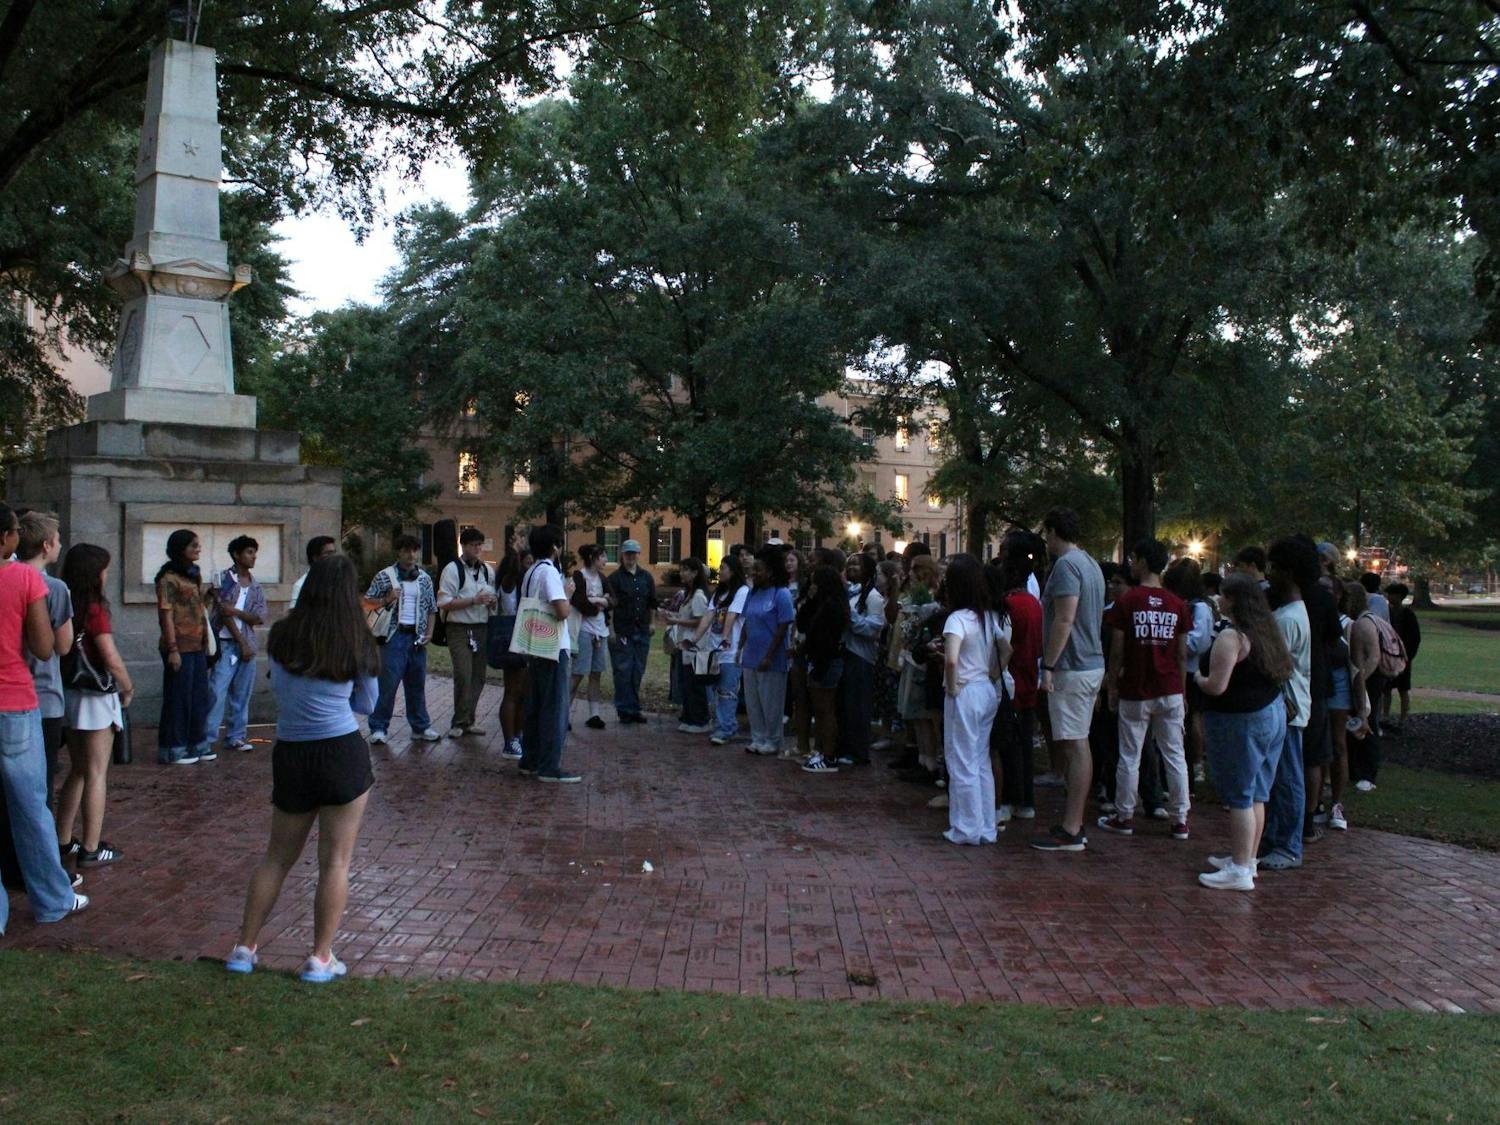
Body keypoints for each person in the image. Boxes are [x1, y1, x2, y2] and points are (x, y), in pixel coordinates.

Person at [224, 555, 379, 982]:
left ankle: (243, 948)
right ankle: (320, 957)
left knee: (276, 858)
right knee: (335, 863)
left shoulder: (283, 635)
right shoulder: (355, 638)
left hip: (291, 750)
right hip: (341, 750)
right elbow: (368, 703)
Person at [0, 503, 87, 932]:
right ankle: (53, 899)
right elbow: (43, 646)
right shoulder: (23, 578)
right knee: (32, 807)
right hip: (15, 701)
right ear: (6, 538)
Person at [1196, 574, 1293, 892]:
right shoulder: (1266, 632)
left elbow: (1216, 685)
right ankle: (1247, 860)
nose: (1218, 600)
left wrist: (1198, 678)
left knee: (1239, 794)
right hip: (1272, 712)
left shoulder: (1231, 637)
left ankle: (1239, 869)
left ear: (1234, 601)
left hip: (1242, 720)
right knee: (1258, 793)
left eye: (1223, 596)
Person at [1097, 538, 1191, 841]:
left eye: (1134, 558)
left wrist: (1112, 683)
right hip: (1170, 689)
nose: (1131, 564)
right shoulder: (1177, 604)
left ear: (1143, 562)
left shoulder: (1127, 602)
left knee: (1129, 754)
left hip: (1136, 688)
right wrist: (1183, 692)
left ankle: (1124, 815)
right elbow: (1181, 654)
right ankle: (1180, 819)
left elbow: (1118, 651)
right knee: (1174, 754)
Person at [1030, 509, 1105, 853]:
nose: (1045, 541)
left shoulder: (1066, 566)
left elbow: (1065, 617)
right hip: (1089, 664)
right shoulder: (1090, 563)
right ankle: (1073, 824)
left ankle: (1072, 827)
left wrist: (1049, 664)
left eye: (1047, 534)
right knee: (1079, 744)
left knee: (1075, 746)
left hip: (1072, 667)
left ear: (1054, 531)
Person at [55, 542, 133, 868]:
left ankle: (62, 839)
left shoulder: (63, 600)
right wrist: (127, 686)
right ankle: (90, 846)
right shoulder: (95, 609)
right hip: (96, 696)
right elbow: (110, 656)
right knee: (97, 772)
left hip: (69, 691)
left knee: (77, 770)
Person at [940, 554, 1012, 845]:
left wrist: (954, 686)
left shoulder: (957, 619)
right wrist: (993, 674)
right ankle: (985, 826)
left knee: (961, 760)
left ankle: (965, 827)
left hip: (966, 691)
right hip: (985, 688)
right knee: (980, 759)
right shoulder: (987, 617)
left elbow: (951, 659)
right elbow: (1007, 649)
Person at [1259, 539, 1313, 871]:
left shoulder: (1287, 619)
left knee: (1288, 778)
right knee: (1279, 778)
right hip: (1288, 707)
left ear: (1289, 572)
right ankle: (1275, 838)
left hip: (1288, 709)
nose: (1270, 574)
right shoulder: (1291, 613)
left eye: (1275, 568)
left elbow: (1274, 666)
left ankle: (1288, 845)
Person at [364, 534, 440, 746]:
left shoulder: (424, 579)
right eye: (407, 550)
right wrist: (387, 598)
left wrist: (429, 633)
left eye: (415, 550)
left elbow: (432, 609)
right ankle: (379, 726)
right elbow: (367, 603)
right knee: (387, 684)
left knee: (417, 684)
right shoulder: (384, 577)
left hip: (417, 636)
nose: (411, 555)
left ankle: (420, 726)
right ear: (399, 552)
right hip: (392, 636)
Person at [517, 525, 579, 782]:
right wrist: (568, 594)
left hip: (535, 642)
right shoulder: (550, 573)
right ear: (554, 547)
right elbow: (561, 611)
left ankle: (530, 759)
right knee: (555, 706)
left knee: (535, 704)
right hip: (554, 646)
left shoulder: (531, 571)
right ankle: (549, 766)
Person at [155, 529, 216, 765]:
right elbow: (166, 614)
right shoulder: (168, 578)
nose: (198, 549)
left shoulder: (193, 574)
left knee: (199, 696)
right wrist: (172, 649)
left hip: (196, 644)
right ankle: (173, 746)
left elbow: (198, 607)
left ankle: (197, 743)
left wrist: (208, 596)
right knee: (178, 698)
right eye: (193, 546)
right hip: (179, 645)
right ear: (181, 549)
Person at [204, 535, 267, 754]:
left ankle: (236, 736)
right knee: (216, 692)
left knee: (242, 693)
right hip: (227, 643)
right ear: (237, 555)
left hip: (246, 644)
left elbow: (259, 616)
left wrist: (237, 612)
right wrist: (241, 641)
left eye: (254, 552)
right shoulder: (224, 579)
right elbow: (223, 613)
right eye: (249, 552)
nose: (253, 557)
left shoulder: (256, 586)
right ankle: (207, 738)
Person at [437, 526, 497, 738]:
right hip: (458, 627)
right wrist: (473, 600)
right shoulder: (452, 570)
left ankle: (469, 720)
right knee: (463, 674)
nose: (477, 549)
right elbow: (443, 602)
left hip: (481, 627)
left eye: (480, 545)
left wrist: (491, 603)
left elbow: (492, 599)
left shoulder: (487, 570)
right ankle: (459, 721)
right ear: (463, 546)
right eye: (473, 545)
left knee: (478, 676)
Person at [997, 545, 1041, 822]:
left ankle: (1013, 798)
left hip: (1013, 680)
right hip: (1029, 679)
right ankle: (1026, 798)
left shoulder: (1011, 605)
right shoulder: (1034, 603)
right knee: (1024, 742)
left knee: (1010, 744)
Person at [739, 548, 796, 756]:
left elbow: (783, 627)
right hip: (751, 655)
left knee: (771, 702)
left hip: (771, 658)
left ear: (771, 571)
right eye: (754, 570)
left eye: (759, 570)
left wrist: (770, 655)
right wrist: (740, 648)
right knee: (753, 701)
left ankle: (773, 740)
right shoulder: (753, 594)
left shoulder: (781, 594)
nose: (755, 573)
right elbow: (747, 622)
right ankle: (758, 737)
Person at [795, 563, 850, 772]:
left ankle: (829, 755)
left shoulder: (833, 608)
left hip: (826, 661)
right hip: (819, 660)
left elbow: (824, 637)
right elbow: (803, 623)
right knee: (820, 709)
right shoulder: (823, 604)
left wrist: (812, 655)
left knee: (826, 709)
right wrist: (809, 600)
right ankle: (823, 751)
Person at [836, 552, 886, 767]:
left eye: (857, 564)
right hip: (845, 652)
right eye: (849, 564)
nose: (852, 567)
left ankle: (858, 750)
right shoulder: (850, 593)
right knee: (846, 705)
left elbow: (873, 629)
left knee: (858, 705)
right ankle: (845, 746)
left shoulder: (873, 597)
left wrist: (850, 616)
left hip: (861, 656)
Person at [605, 538, 656, 725]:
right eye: (627, 554)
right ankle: (624, 709)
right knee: (622, 670)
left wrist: (651, 623)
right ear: (622, 555)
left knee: (638, 670)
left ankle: (634, 707)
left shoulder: (646, 577)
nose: (631, 557)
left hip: (642, 629)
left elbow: (651, 602)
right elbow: (609, 606)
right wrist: (610, 629)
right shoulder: (614, 579)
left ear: (638, 555)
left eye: (634, 553)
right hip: (622, 630)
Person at [492, 540, 531, 759]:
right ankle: (510, 740)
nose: (528, 567)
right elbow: (513, 572)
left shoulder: (524, 585)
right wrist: (515, 554)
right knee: (513, 691)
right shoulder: (509, 584)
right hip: (512, 640)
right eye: (526, 563)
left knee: (523, 693)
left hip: (525, 639)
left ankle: (518, 735)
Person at [1344, 582, 1384, 792]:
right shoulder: (1361, 621)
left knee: (1366, 723)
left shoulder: (1363, 623)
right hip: (1364, 678)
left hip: (1370, 679)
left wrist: (1358, 681)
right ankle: (1356, 769)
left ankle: (1368, 773)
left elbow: (1374, 656)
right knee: (1357, 723)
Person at [666, 556, 713, 733]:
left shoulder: (699, 595)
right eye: (681, 569)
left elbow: (701, 621)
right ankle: (689, 717)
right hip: (684, 645)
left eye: (686, 570)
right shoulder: (689, 594)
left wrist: (678, 622)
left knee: (695, 685)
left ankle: (700, 720)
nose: (682, 573)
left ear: (695, 573)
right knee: (686, 684)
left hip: (695, 646)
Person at [568, 544, 611, 731]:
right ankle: (564, 714)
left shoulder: (603, 578)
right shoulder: (579, 576)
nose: (605, 560)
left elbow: (612, 600)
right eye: (603, 556)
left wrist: (601, 600)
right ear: (593, 557)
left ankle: (594, 714)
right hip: (584, 631)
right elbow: (579, 602)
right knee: (577, 673)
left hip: (601, 631)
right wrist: (598, 603)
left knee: (596, 673)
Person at [709, 555, 749, 746]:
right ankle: (722, 724)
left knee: (727, 689)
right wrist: (693, 639)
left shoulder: (741, 591)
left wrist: (725, 638)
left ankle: (727, 728)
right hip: (716, 649)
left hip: (731, 650)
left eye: (723, 567)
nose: (720, 571)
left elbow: (732, 615)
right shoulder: (718, 593)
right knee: (718, 688)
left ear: (732, 570)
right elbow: (709, 615)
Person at [1383, 583, 1421, 732]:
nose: (1389, 597)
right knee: (1386, 688)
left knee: (1403, 688)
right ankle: (1385, 715)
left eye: (1392, 594)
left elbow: (1414, 637)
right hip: (1389, 655)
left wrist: (1408, 656)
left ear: (1399, 596)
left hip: (1403, 656)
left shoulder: (1408, 614)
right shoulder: (1388, 612)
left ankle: (1403, 717)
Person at [288, 536, 338, 609]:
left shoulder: (339, 580)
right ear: (315, 557)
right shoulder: (301, 585)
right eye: (328, 553)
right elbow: (295, 613)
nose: (333, 557)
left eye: (334, 553)